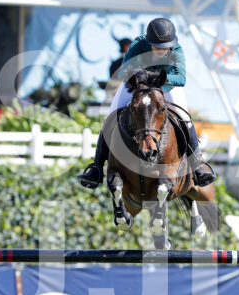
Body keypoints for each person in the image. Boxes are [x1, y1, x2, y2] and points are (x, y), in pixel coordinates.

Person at [77, 18, 215, 189]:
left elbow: (181, 78)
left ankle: (197, 165)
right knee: (111, 117)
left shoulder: (176, 49)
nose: (161, 50)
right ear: (149, 43)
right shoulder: (138, 45)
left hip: (165, 87)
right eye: (157, 47)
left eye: (164, 47)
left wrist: (156, 78)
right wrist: (140, 76)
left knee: (185, 119)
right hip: (137, 87)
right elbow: (123, 73)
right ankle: (96, 167)